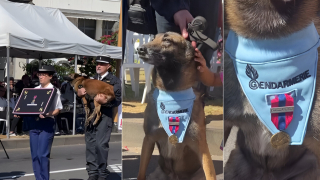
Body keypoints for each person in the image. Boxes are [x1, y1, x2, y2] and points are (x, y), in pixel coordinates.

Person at [77, 56, 121, 180]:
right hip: (90, 115)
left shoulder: (114, 81)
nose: (99, 66)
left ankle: (102, 173)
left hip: (105, 116)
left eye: (102, 64)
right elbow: (82, 97)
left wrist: (105, 101)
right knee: (90, 144)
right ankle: (92, 173)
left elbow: (117, 100)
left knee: (101, 145)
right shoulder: (90, 79)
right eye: (97, 63)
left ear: (108, 66)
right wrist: (79, 95)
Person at [24, 65, 62, 180]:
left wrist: (48, 114)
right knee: (35, 155)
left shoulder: (54, 90)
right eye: (39, 74)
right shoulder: (34, 90)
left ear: (50, 76)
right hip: (34, 123)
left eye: (43, 75)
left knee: (43, 155)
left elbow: (58, 109)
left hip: (47, 124)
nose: (40, 77)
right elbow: (28, 106)